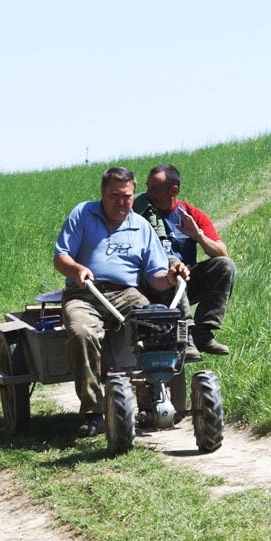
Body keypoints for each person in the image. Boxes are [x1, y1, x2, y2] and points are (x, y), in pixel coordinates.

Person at [54, 166, 189, 437]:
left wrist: (172, 277)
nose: (121, 201)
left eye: (127, 196)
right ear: (103, 194)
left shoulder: (141, 226)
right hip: (86, 292)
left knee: (157, 323)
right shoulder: (83, 214)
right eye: (114, 195)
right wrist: (78, 270)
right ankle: (93, 411)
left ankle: (153, 397)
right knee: (81, 333)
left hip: (126, 293)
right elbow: (61, 257)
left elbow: (155, 277)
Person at [133, 164, 235, 356]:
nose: (148, 193)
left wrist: (197, 235)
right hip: (152, 281)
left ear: (174, 190)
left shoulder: (189, 213)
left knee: (225, 266)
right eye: (148, 187)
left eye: (154, 188)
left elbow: (222, 252)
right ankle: (185, 332)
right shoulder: (138, 211)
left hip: (185, 282)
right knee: (172, 263)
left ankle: (202, 332)